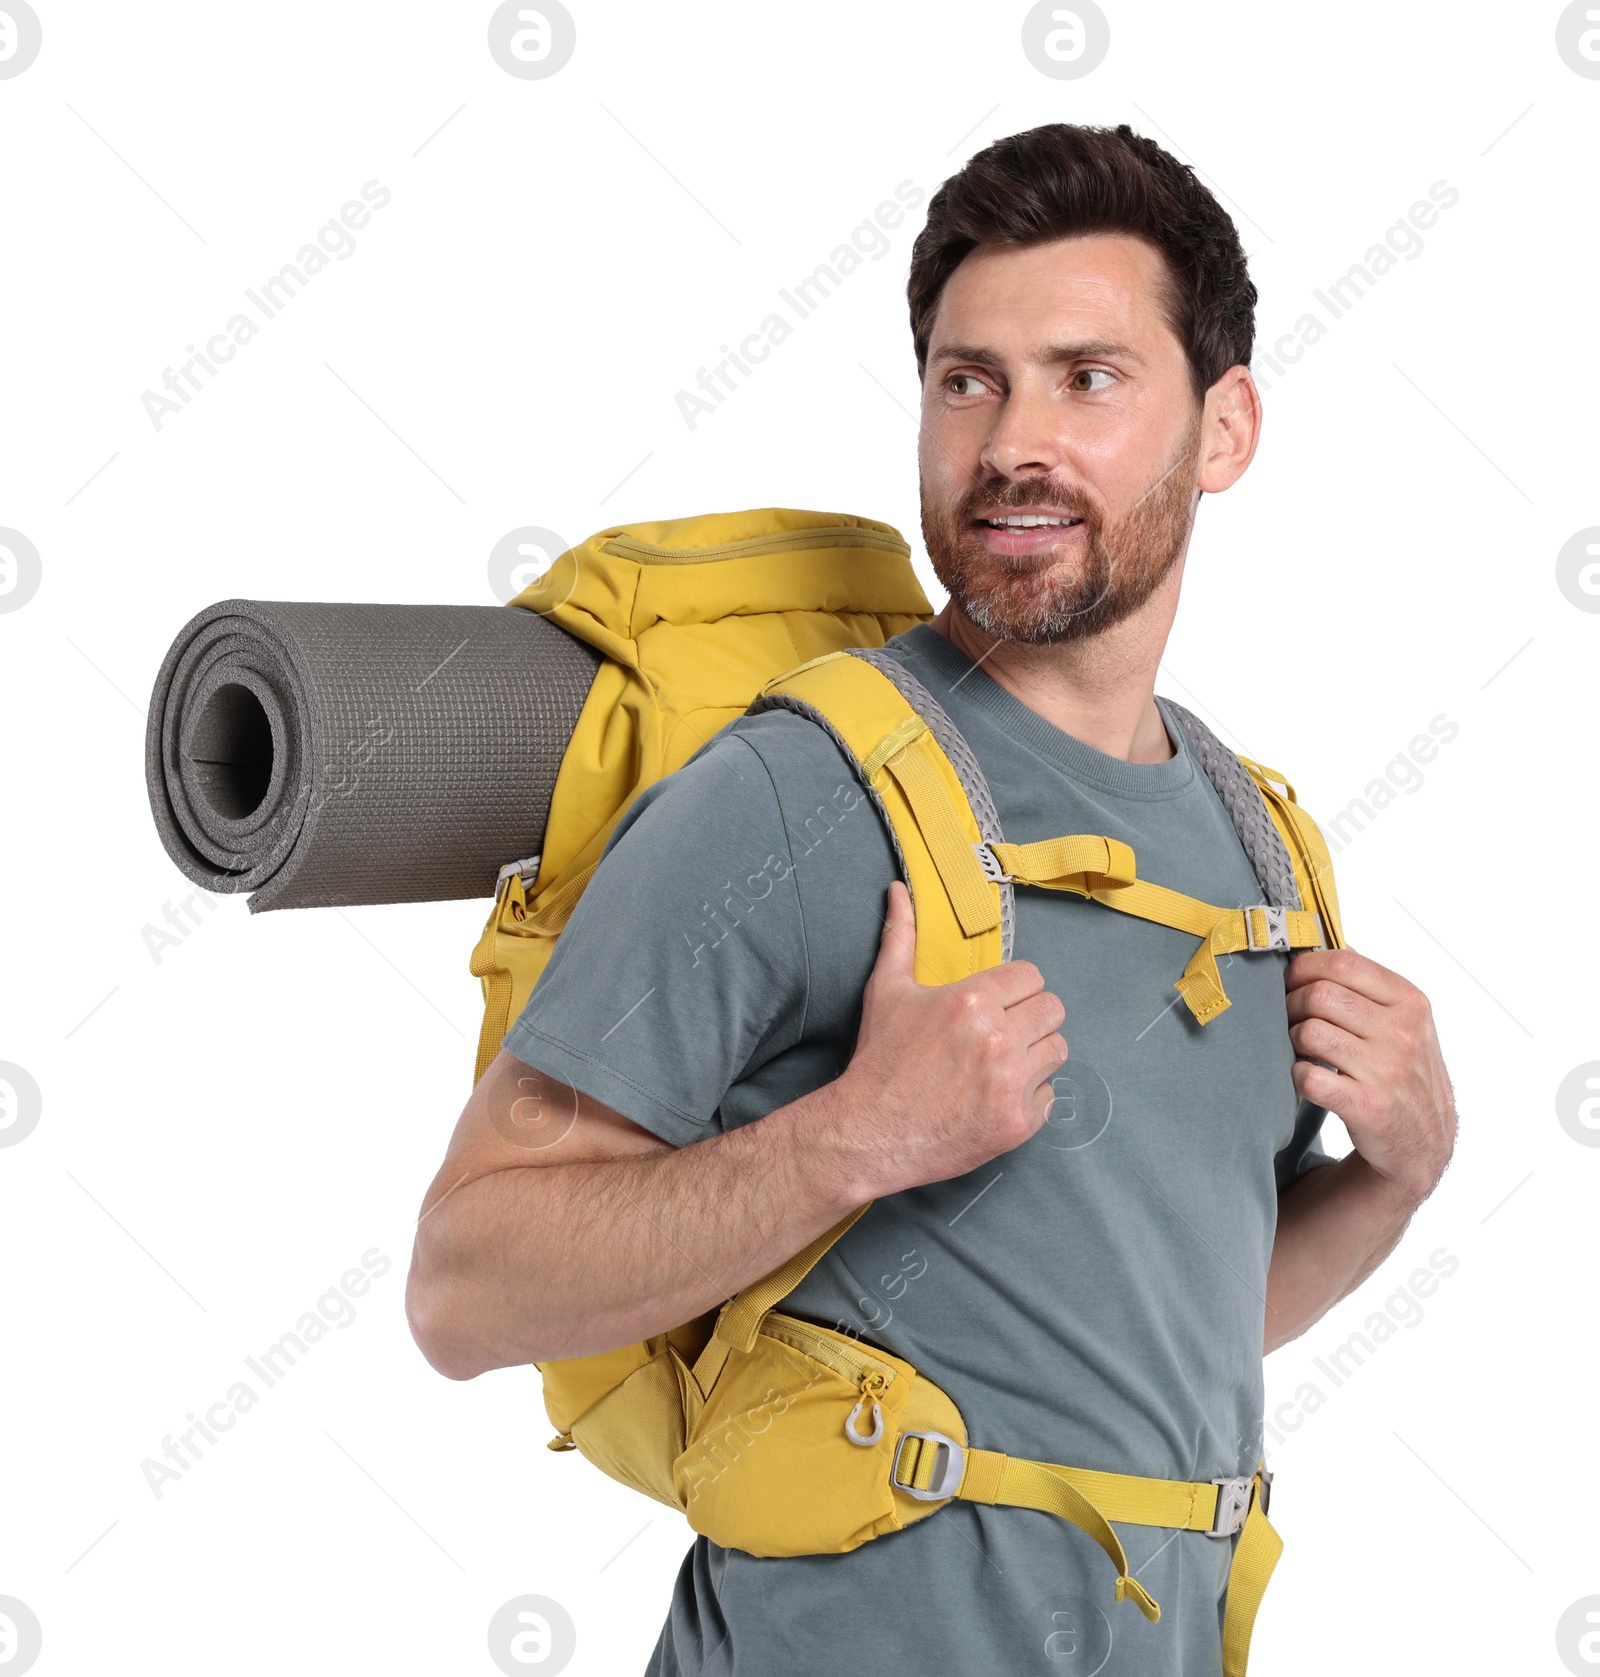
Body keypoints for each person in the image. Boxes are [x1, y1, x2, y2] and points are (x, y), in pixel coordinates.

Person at [406, 122, 1458, 1675]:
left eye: (1087, 378)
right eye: (969, 380)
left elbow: (1159, 1344)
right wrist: (857, 1135)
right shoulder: (799, 793)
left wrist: (1400, 1173)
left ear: (1223, 427)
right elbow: (463, 1283)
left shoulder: (1254, 845)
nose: (1012, 440)